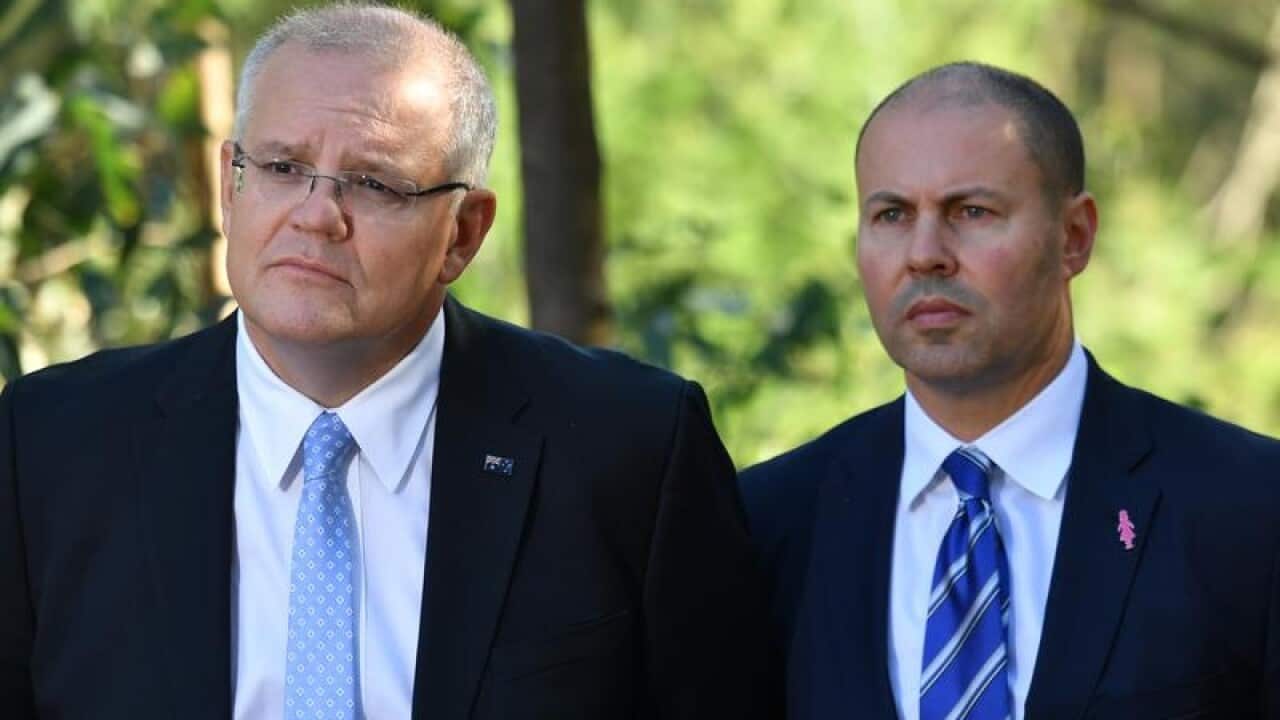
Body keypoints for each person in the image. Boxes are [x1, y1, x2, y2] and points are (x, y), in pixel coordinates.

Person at [0, 5, 778, 718]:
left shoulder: (629, 447)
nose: (316, 215)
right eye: (280, 168)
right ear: (230, 186)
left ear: (464, 232)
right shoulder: (50, 444)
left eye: (372, 183)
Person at [740, 61, 1280, 719]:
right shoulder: (769, 519)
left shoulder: (1249, 506)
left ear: (1074, 237)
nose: (925, 252)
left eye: (971, 211)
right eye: (891, 214)